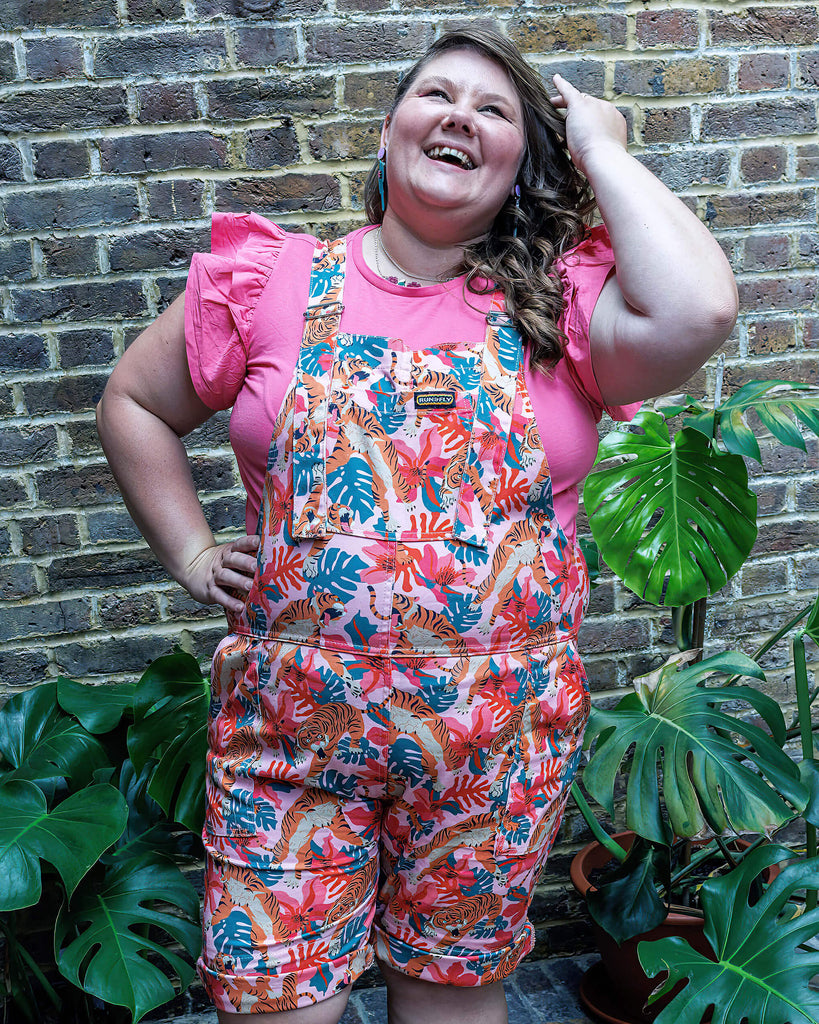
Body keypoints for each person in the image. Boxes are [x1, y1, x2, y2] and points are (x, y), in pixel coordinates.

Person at [96, 27, 737, 1024]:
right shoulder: (272, 284)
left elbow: (700, 308)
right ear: (391, 125)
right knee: (269, 1007)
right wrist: (187, 549)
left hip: (492, 755)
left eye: (494, 111)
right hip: (289, 749)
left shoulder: (559, 308)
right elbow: (132, 403)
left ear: (526, 162)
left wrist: (604, 148)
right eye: (437, 93)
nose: (459, 117)